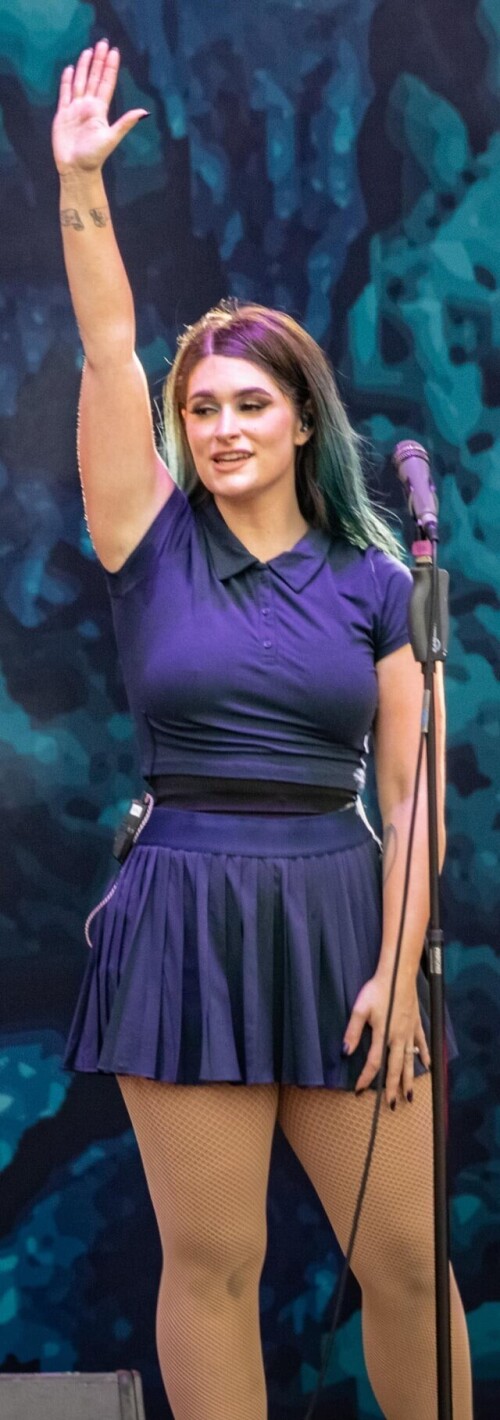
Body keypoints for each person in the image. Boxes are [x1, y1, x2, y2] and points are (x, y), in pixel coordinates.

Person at [53, 40, 473, 1420]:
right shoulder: (149, 540)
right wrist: (80, 191)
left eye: (250, 404)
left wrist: (397, 966)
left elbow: (412, 796)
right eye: (202, 408)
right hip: (184, 909)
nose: (223, 427)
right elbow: (107, 347)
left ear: (302, 423)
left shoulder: (376, 584)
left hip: (342, 911)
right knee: (215, 1264)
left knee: (403, 1263)